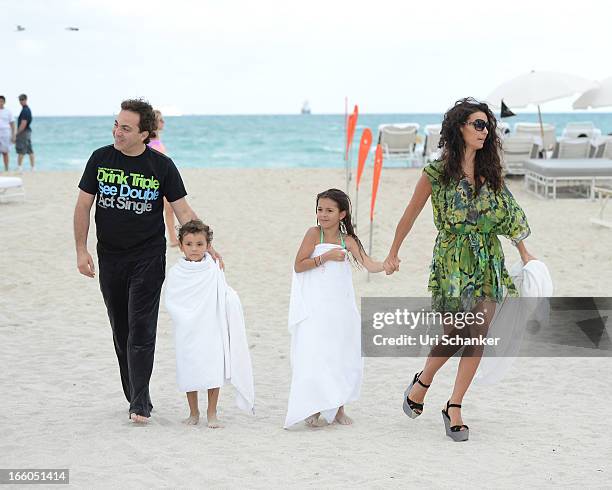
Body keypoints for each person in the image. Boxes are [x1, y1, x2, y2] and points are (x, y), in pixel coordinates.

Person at [383, 97, 536, 442]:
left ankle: (455, 405)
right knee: (455, 333)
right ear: (459, 128)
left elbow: (510, 213)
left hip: (487, 258)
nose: (485, 132)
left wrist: (525, 252)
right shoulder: (435, 173)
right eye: (478, 124)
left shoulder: (491, 170)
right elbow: (409, 214)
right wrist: (393, 253)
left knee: (477, 334)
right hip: (453, 259)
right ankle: (424, 380)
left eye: (488, 126)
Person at [73, 98, 223, 424]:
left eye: (126, 128)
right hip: (109, 257)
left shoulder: (162, 166)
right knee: (121, 330)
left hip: (147, 256)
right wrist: (81, 250)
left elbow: (182, 210)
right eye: (116, 125)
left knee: (142, 329)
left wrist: (206, 244)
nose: (118, 132)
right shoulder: (100, 159)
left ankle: (139, 403)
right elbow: (83, 206)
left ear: (145, 133)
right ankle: (135, 394)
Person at [285, 188, 385, 428]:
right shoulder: (314, 234)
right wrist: (326, 257)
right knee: (317, 354)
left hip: (341, 307)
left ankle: (339, 408)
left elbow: (370, 265)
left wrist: (387, 265)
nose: (323, 214)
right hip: (316, 307)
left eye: (329, 210)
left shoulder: (347, 240)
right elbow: (299, 265)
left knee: (342, 354)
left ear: (342, 214)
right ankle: (315, 407)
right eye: (320, 209)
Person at [165, 220, 255, 428]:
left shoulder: (213, 268)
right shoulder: (177, 272)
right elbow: (172, 299)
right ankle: (193, 411)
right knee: (190, 368)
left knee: (213, 367)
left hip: (211, 326)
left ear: (208, 245)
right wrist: (186, 319)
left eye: (199, 244)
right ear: (180, 246)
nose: (194, 249)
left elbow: (222, 292)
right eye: (189, 244)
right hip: (187, 329)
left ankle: (212, 412)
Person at [148, 110, 179, 247]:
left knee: (169, 209)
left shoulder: (156, 140)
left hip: (163, 180)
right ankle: (171, 239)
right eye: (160, 120)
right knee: (162, 209)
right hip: (157, 182)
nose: (163, 123)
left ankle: (172, 238)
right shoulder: (149, 142)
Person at [14, 94, 35, 171]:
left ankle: (19, 167)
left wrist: (17, 133)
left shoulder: (25, 110)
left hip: (24, 132)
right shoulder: (26, 109)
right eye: (20, 99)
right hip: (27, 131)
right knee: (29, 150)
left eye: (22, 99)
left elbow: (23, 123)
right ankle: (33, 167)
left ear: (26, 99)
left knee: (21, 149)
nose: (21, 101)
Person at [0, 96, 15, 171]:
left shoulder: (8, 112)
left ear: (4, 102)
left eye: (1, 101)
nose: (0, 103)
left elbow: (12, 124)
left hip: (5, 133)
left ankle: (6, 168)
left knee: (5, 152)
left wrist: (13, 135)